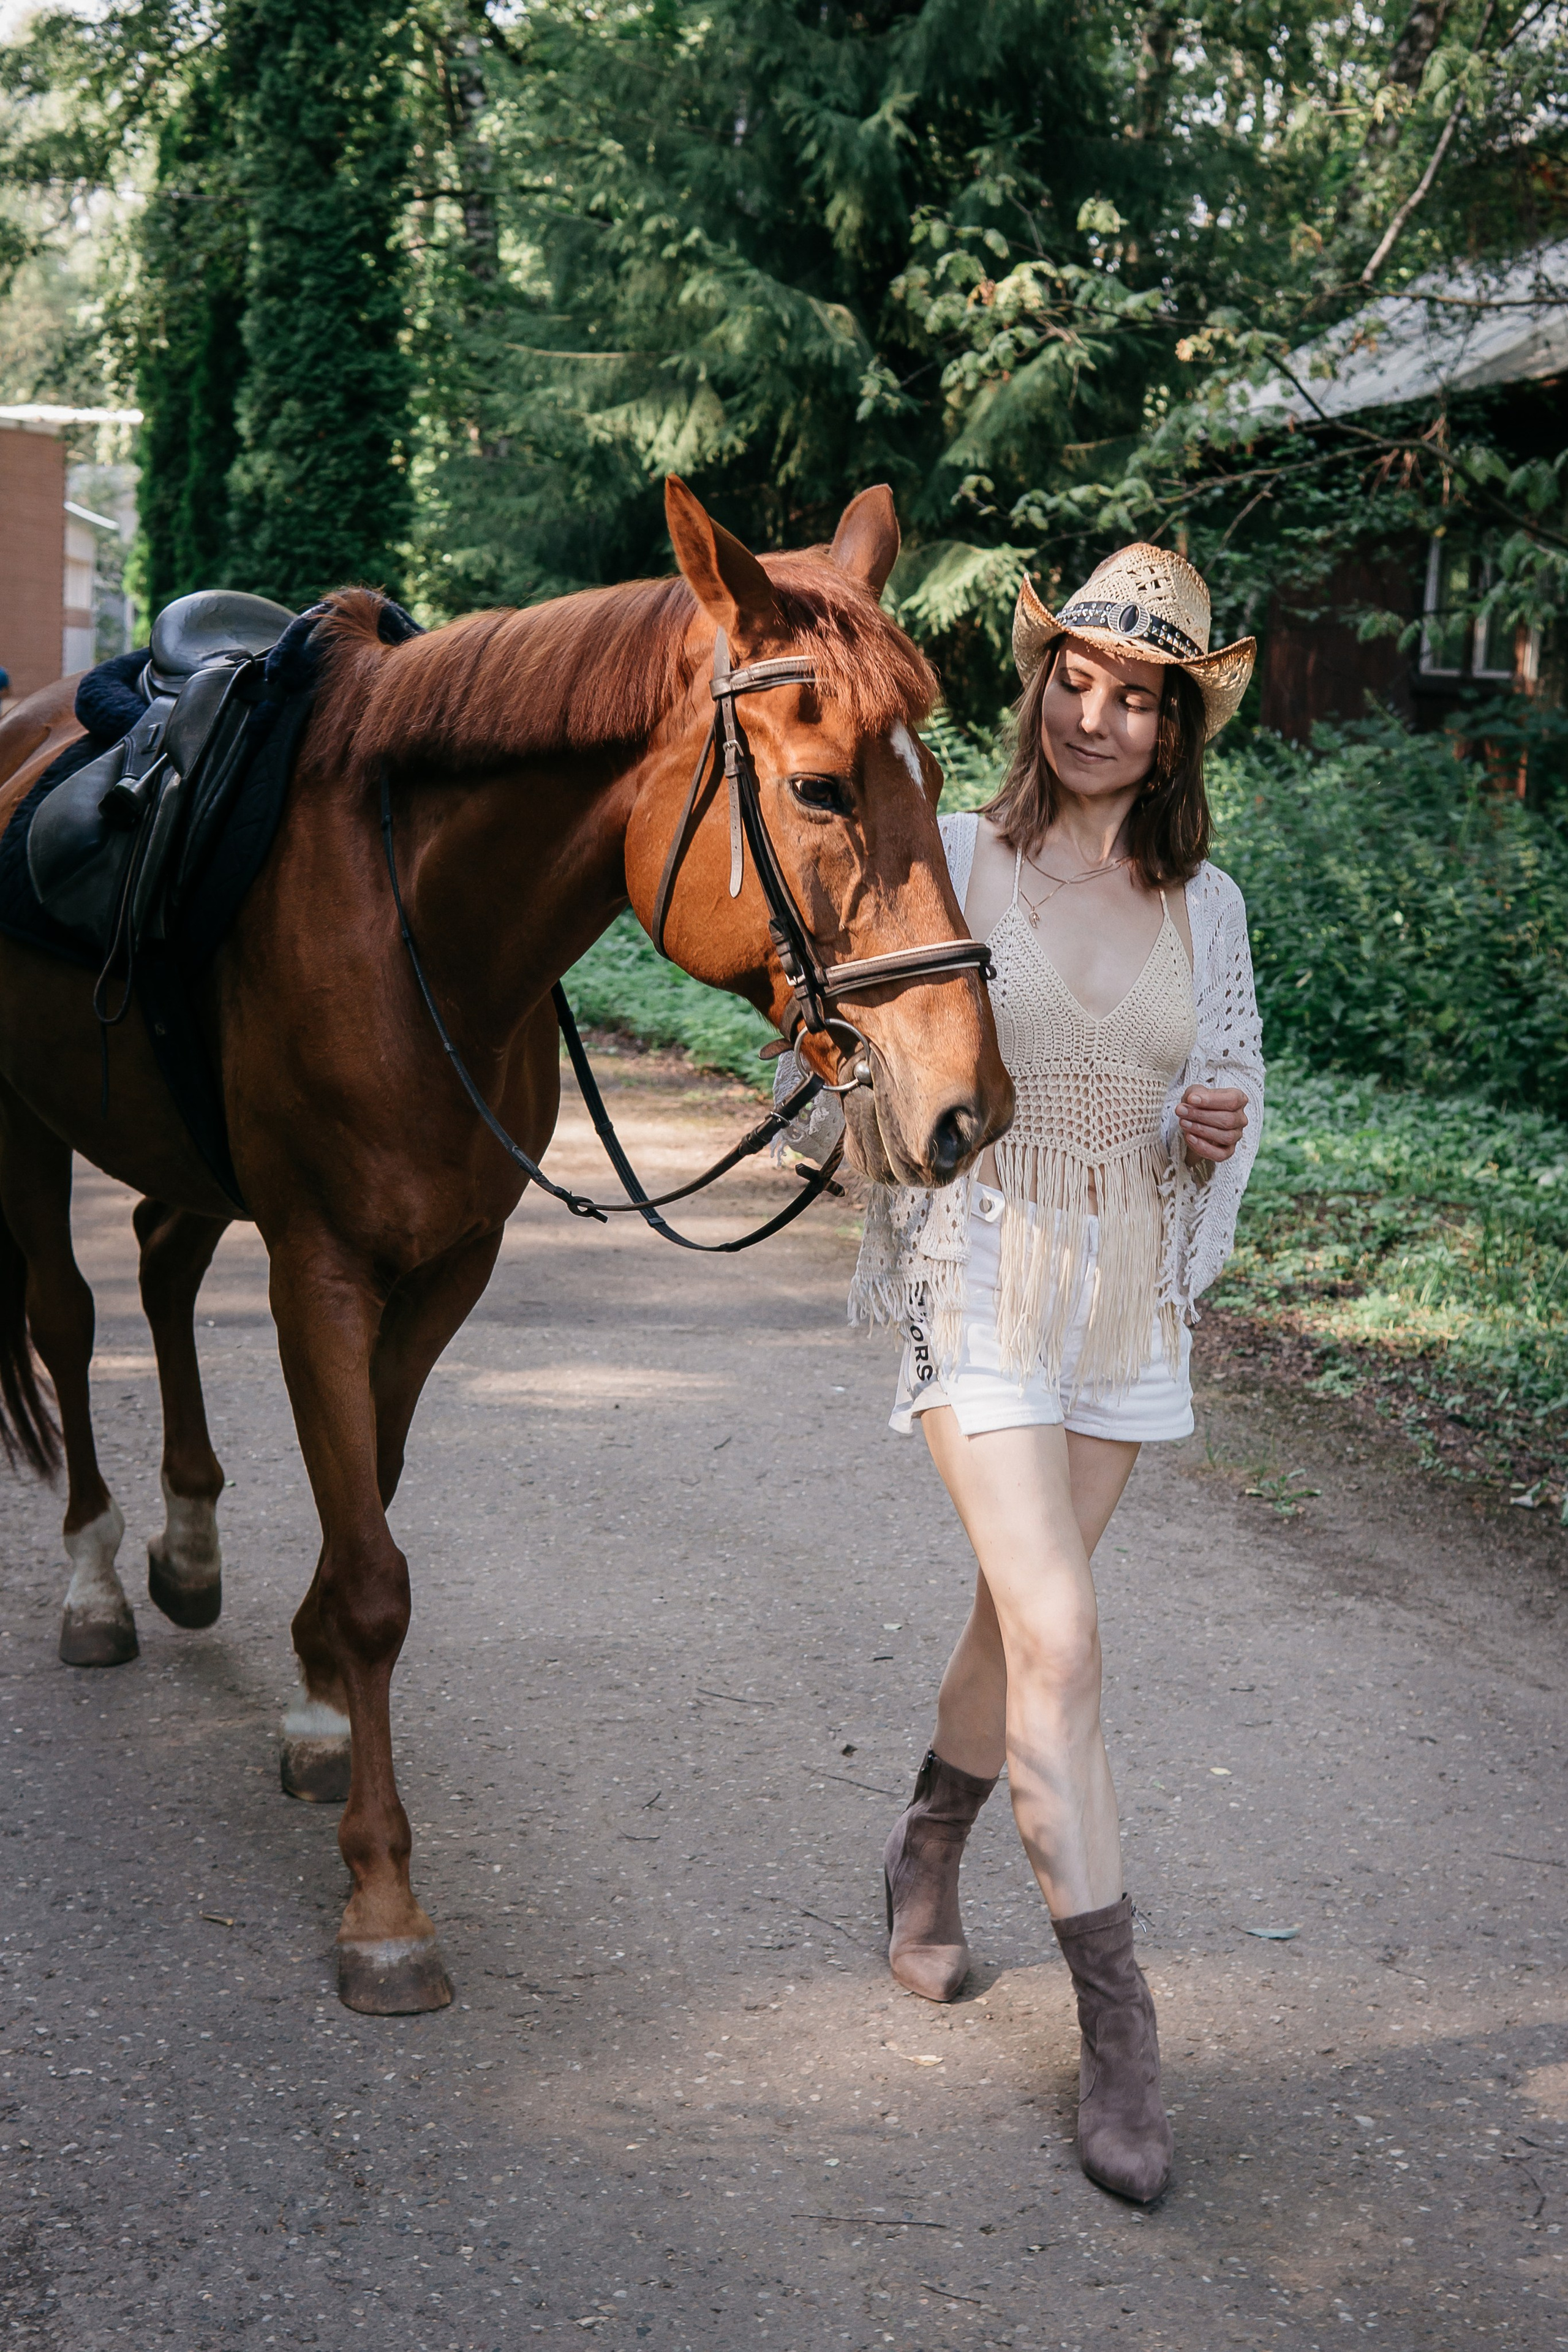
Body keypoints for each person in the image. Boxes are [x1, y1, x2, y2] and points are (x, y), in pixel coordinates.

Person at [782, 543, 1264, 2205]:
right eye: (1075, 677)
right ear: (1040, 681)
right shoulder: (967, 863)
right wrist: (835, 1068)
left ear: (1178, 727)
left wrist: (1208, 1136)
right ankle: (1121, 2037)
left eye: (1136, 696)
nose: (1095, 713)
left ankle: (928, 1840)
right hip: (981, 1273)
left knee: (1013, 1626)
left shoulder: (1211, 908)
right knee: (1062, 1632)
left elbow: (1222, 1108)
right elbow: (879, 1076)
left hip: (1123, 1302)